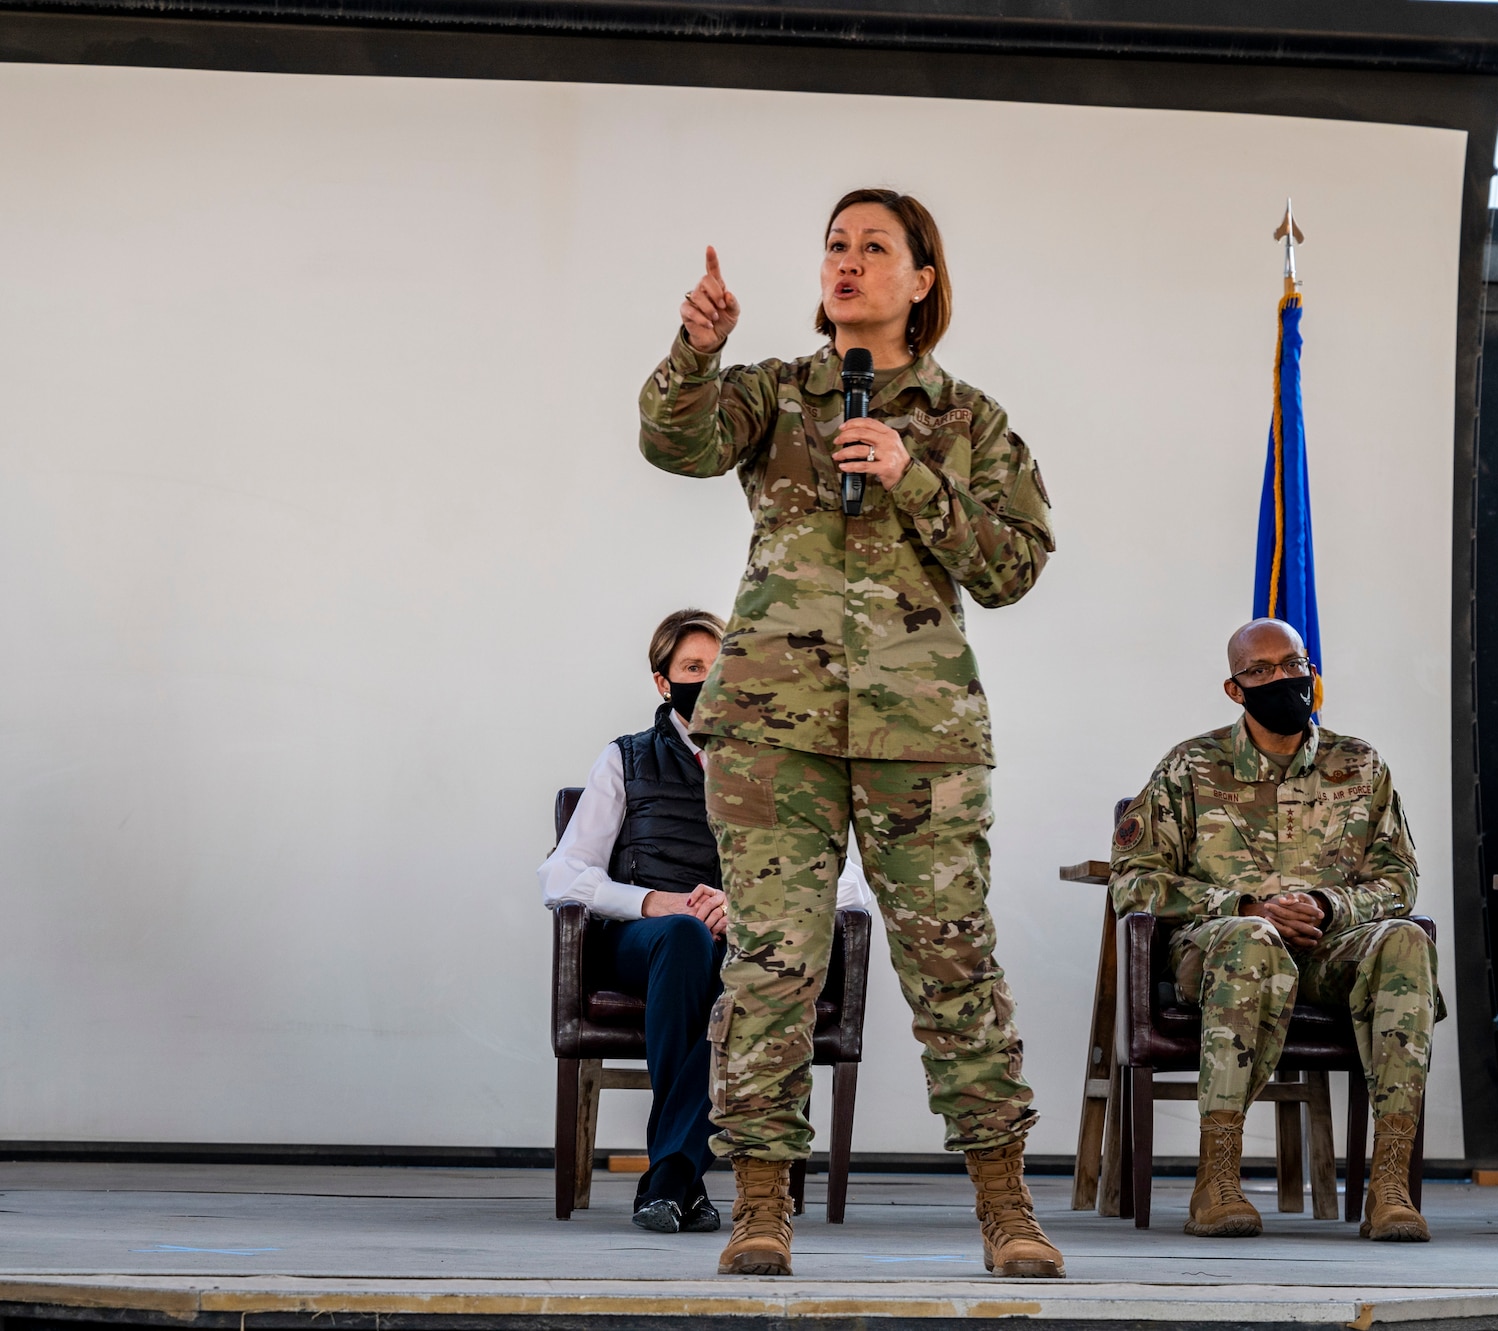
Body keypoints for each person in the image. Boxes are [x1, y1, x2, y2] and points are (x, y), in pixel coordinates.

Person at [638, 189, 1062, 1279]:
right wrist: (696, 347)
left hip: (919, 734)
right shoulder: (776, 395)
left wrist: (911, 475)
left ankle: (1004, 1205)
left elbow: (1013, 565)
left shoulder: (968, 420)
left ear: (922, 279)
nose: (848, 261)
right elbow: (672, 441)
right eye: (835, 245)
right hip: (771, 733)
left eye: (875, 247)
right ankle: (760, 1204)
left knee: (950, 963)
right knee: (774, 965)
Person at [540, 608, 875, 1234]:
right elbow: (560, 875)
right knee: (686, 934)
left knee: (736, 977)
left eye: (719, 668)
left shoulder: (778, 765)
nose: (709, 679)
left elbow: (849, 883)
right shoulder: (626, 760)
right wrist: (650, 902)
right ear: (664, 683)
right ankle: (678, 1175)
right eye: (694, 668)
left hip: (739, 946)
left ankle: (672, 1180)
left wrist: (748, 907)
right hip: (646, 943)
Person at [1109, 618, 1443, 1243]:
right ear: (1235, 689)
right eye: (1260, 671)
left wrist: (1325, 903)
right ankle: (1218, 1179)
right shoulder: (1190, 767)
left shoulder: (1361, 766)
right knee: (1251, 938)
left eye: (1291, 664)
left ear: (1311, 670)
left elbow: (1399, 879)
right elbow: (1134, 881)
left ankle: (1390, 1184)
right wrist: (1245, 904)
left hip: (1326, 950)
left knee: (1407, 938)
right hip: (1221, 952)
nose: (1280, 679)